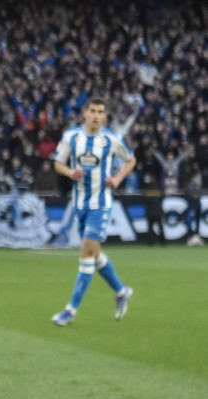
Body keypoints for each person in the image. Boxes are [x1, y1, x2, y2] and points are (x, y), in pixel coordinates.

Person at [51, 97, 136, 326]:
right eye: (93, 111)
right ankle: (121, 290)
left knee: (86, 252)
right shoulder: (72, 137)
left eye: (101, 112)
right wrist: (70, 173)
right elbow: (58, 163)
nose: (97, 115)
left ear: (105, 116)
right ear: (84, 113)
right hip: (79, 205)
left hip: (101, 205)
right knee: (94, 254)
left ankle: (71, 309)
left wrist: (118, 178)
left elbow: (130, 160)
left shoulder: (112, 139)